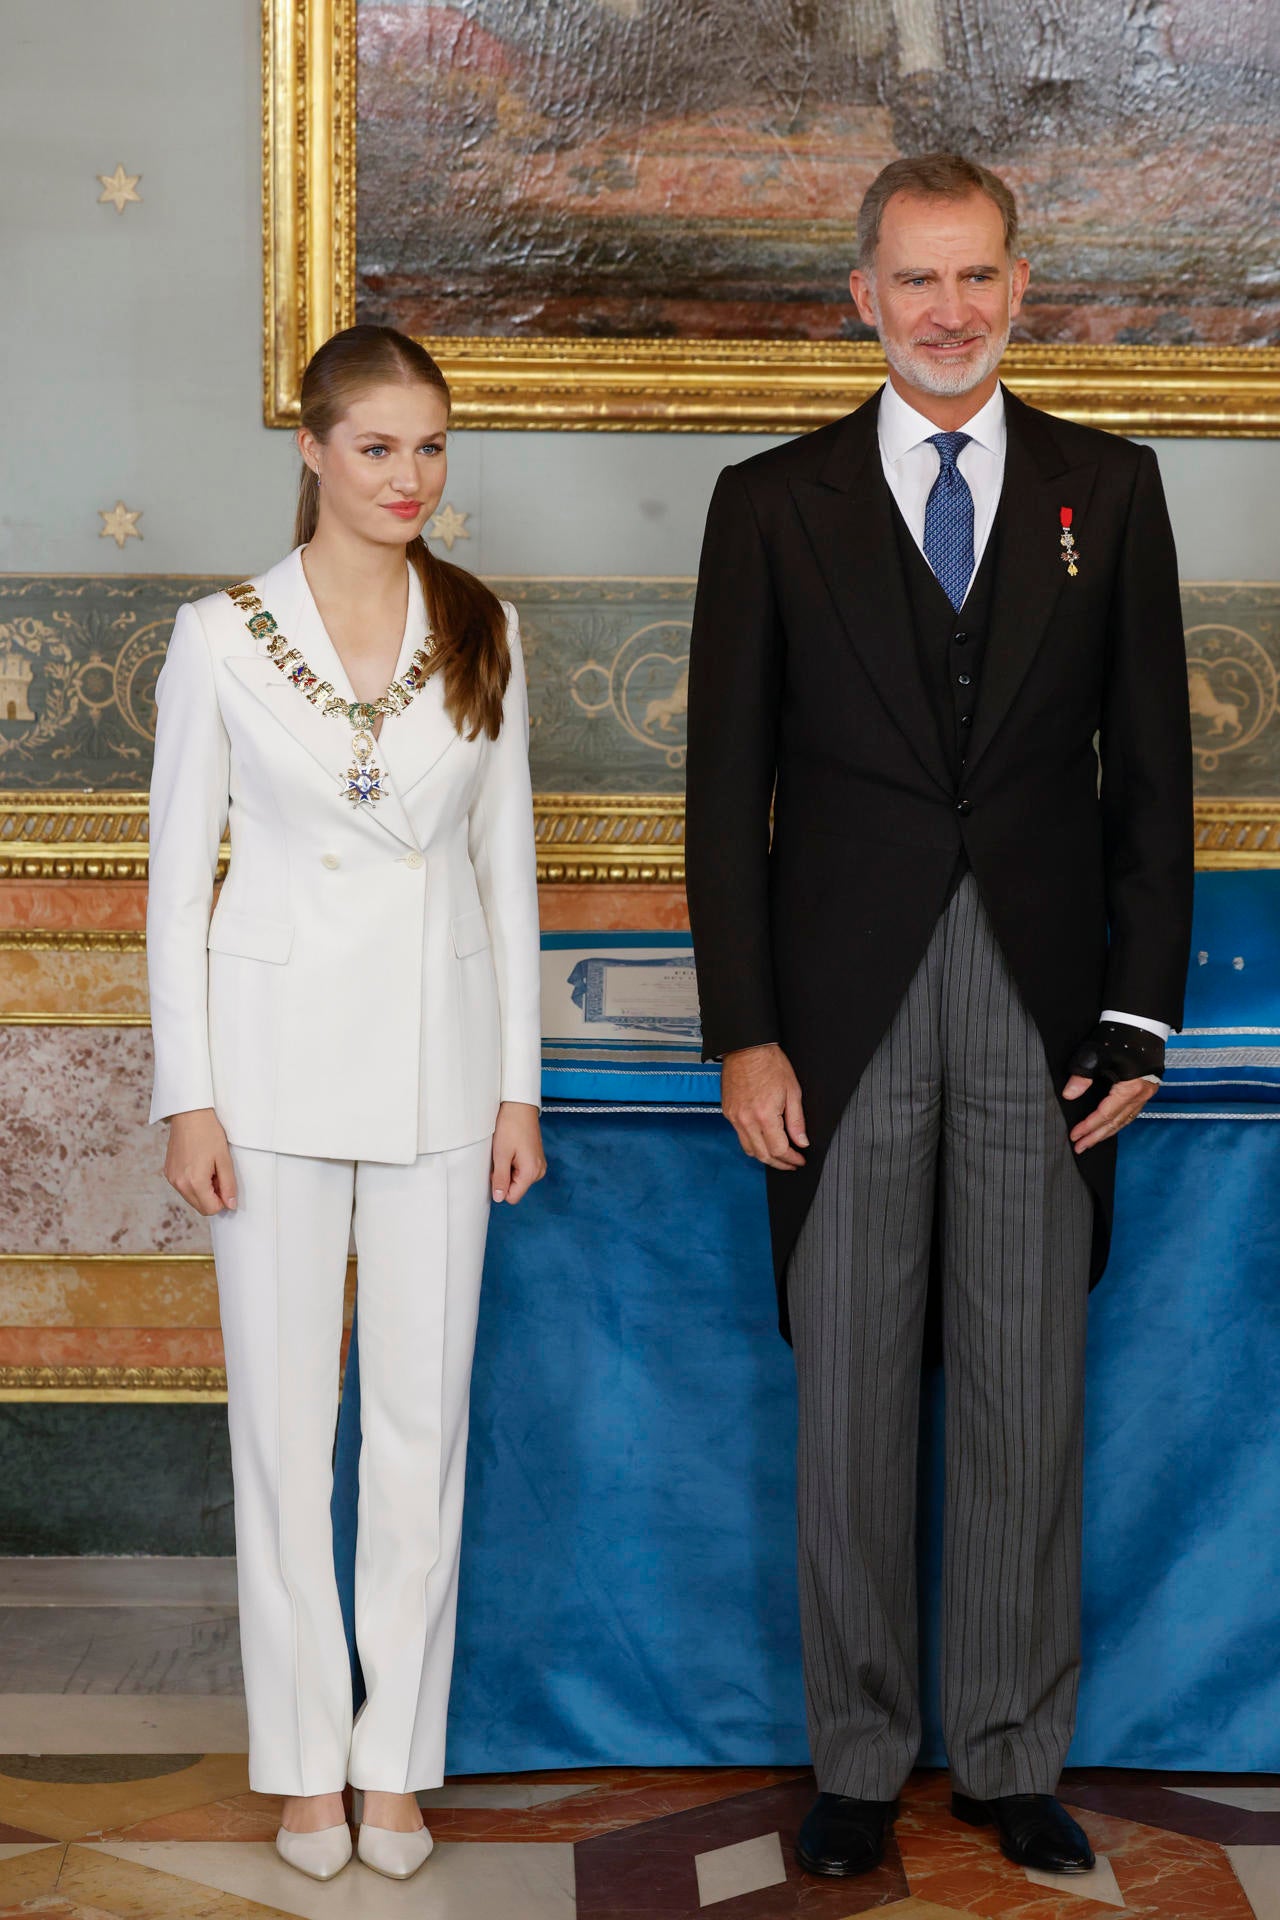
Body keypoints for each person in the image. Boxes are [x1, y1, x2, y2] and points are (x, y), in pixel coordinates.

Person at [685, 154, 1193, 1880]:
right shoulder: (770, 501)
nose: (950, 311)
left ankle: (1005, 1750)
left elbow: (1154, 785)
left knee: (1025, 1393)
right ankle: (854, 1754)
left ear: (1020, 286)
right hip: (835, 1016)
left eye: (978, 278)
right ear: (863, 294)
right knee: (848, 1399)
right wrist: (745, 1029)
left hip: (1048, 1005)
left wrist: (1138, 1017)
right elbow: (723, 792)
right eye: (917, 281)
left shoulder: (1109, 490)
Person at [146, 324, 545, 1884]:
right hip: (269, 1071)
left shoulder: (484, 622)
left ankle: (396, 1765)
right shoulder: (222, 635)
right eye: (379, 446)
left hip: (445, 1067)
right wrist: (191, 1097)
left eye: (432, 446)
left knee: (420, 1428)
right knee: (285, 1433)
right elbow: (180, 887)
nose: (410, 477)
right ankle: (305, 1761)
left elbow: (503, 877)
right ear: (311, 448)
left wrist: (517, 1085)